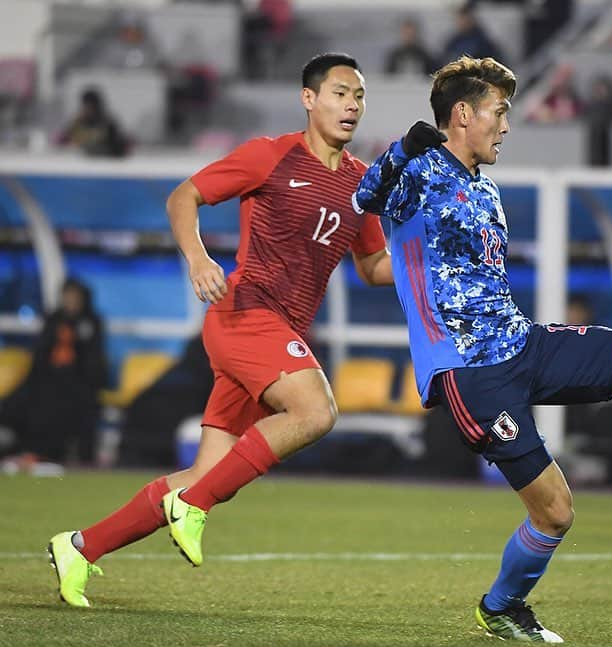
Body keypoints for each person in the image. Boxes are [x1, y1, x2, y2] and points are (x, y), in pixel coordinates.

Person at [355, 55, 612, 644]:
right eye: (499, 112)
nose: (506, 126)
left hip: (522, 342)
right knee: (555, 512)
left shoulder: (484, 189)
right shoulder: (420, 173)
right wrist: (404, 148)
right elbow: (365, 197)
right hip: (470, 373)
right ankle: (501, 608)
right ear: (463, 114)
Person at [47, 53, 393, 608]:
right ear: (308, 99)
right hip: (244, 313)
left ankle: (81, 547)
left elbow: (375, 267)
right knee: (315, 411)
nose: (351, 104)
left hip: (275, 331)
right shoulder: (270, 155)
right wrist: (198, 257)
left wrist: (432, 262)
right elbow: (183, 195)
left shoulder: (363, 185)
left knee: (206, 474)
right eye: (339, 92)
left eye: (359, 96)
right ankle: (196, 505)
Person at [1, 279, 106, 467]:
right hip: (46, 381)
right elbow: (40, 357)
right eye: (68, 296)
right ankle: (22, 451)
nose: (71, 301)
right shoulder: (53, 320)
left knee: (71, 406)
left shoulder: (91, 322)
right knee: (19, 403)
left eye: (75, 297)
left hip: (76, 384)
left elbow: (94, 364)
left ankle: (52, 456)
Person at [59, 88, 129, 158]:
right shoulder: (77, 124)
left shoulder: (108, 124)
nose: (87, 109)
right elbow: (61, 141)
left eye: (90, 106)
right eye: (85, 106)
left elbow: (120, 147)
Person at [583, 73, 612, 167]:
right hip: (593, 147)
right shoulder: (589, 106)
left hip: (611, 148)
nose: (599, 92)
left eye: (602, 88)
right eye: (597, 89)